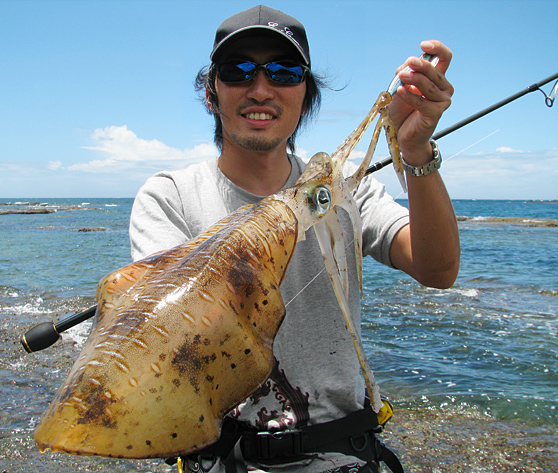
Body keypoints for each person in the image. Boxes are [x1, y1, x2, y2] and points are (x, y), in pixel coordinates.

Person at [129, 5, 460, 473]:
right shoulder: (170, 197)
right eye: (237, 70)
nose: (260, 88)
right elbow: (166, 340)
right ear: (211, 92)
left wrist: (416, 150)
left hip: (346, 456)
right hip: (226, 459)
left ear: (305, 95)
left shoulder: (345, 190)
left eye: (284, 72)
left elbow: (439, 269)